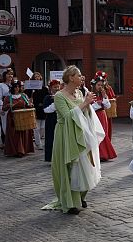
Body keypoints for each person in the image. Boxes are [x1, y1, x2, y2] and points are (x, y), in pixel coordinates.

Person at [43, 65, 105, 215]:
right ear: (71, 77)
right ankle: (70, 202)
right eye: (79, 75)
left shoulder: (78, 92)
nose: (81, 77)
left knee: (85, 165)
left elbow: (83, 112)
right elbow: (67, 116)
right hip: (65, 134)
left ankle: (80, 195)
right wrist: (85, 103)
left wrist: (88, 104)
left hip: (80, 133)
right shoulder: (59, 96)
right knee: (70, 167)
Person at [2, 80, 35, 157]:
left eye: (18, 87)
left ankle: (23, 150)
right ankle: (15, 151)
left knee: (23, 133)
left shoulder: (24, 96)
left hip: (23, 118)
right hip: (12, 118)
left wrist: (30, 104)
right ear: (12, 88)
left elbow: (28, 105)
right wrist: (8, 106)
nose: (17, 88)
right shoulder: (8, 97)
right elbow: (4, 108)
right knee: (14, 134)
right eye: (15, 87)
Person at [90, 73, 117, 161]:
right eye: (98, 85)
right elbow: (89, 107)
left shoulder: (102, 95)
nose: (100, 87)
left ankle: (104, 154)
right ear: (94, 85)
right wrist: (98, 105)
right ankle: (98, 153)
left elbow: (108, 106)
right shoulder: (90, 94)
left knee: (103, 133)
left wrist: (105, 97)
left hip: (102, 115)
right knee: (96, 133)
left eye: (101, 85)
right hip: (95, 116)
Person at [26, 72, 47, 150]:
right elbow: (27, 97)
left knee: (43, 127)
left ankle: (39, 139)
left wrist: (44, 104)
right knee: (36, 128)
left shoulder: (44, 88)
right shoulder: (30, 88)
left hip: (43, 109)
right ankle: (38, 144)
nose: (37, 77)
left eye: (38, 76)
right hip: (35, 109)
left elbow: (46, 97)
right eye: (35, 76)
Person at [42, 80, 61, 162]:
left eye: (58, 87)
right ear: (51, 88)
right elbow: (46, 110)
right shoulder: (47, 97)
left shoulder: (61, 96)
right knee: (51, 139)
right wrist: (55, 103)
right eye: (55, 87)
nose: (57, 88)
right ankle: (51, 157)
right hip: (51, 121)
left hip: (59, 120)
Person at [0, 68, 14, 149]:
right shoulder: (1, 85)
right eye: (8, 74)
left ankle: (11, 142)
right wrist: (1, 108)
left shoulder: (13, 85)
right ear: (5, 76)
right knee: (5, 125)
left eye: (11, 74)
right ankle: (5, 142)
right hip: (5, 108)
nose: (10, 76)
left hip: (13, 107)